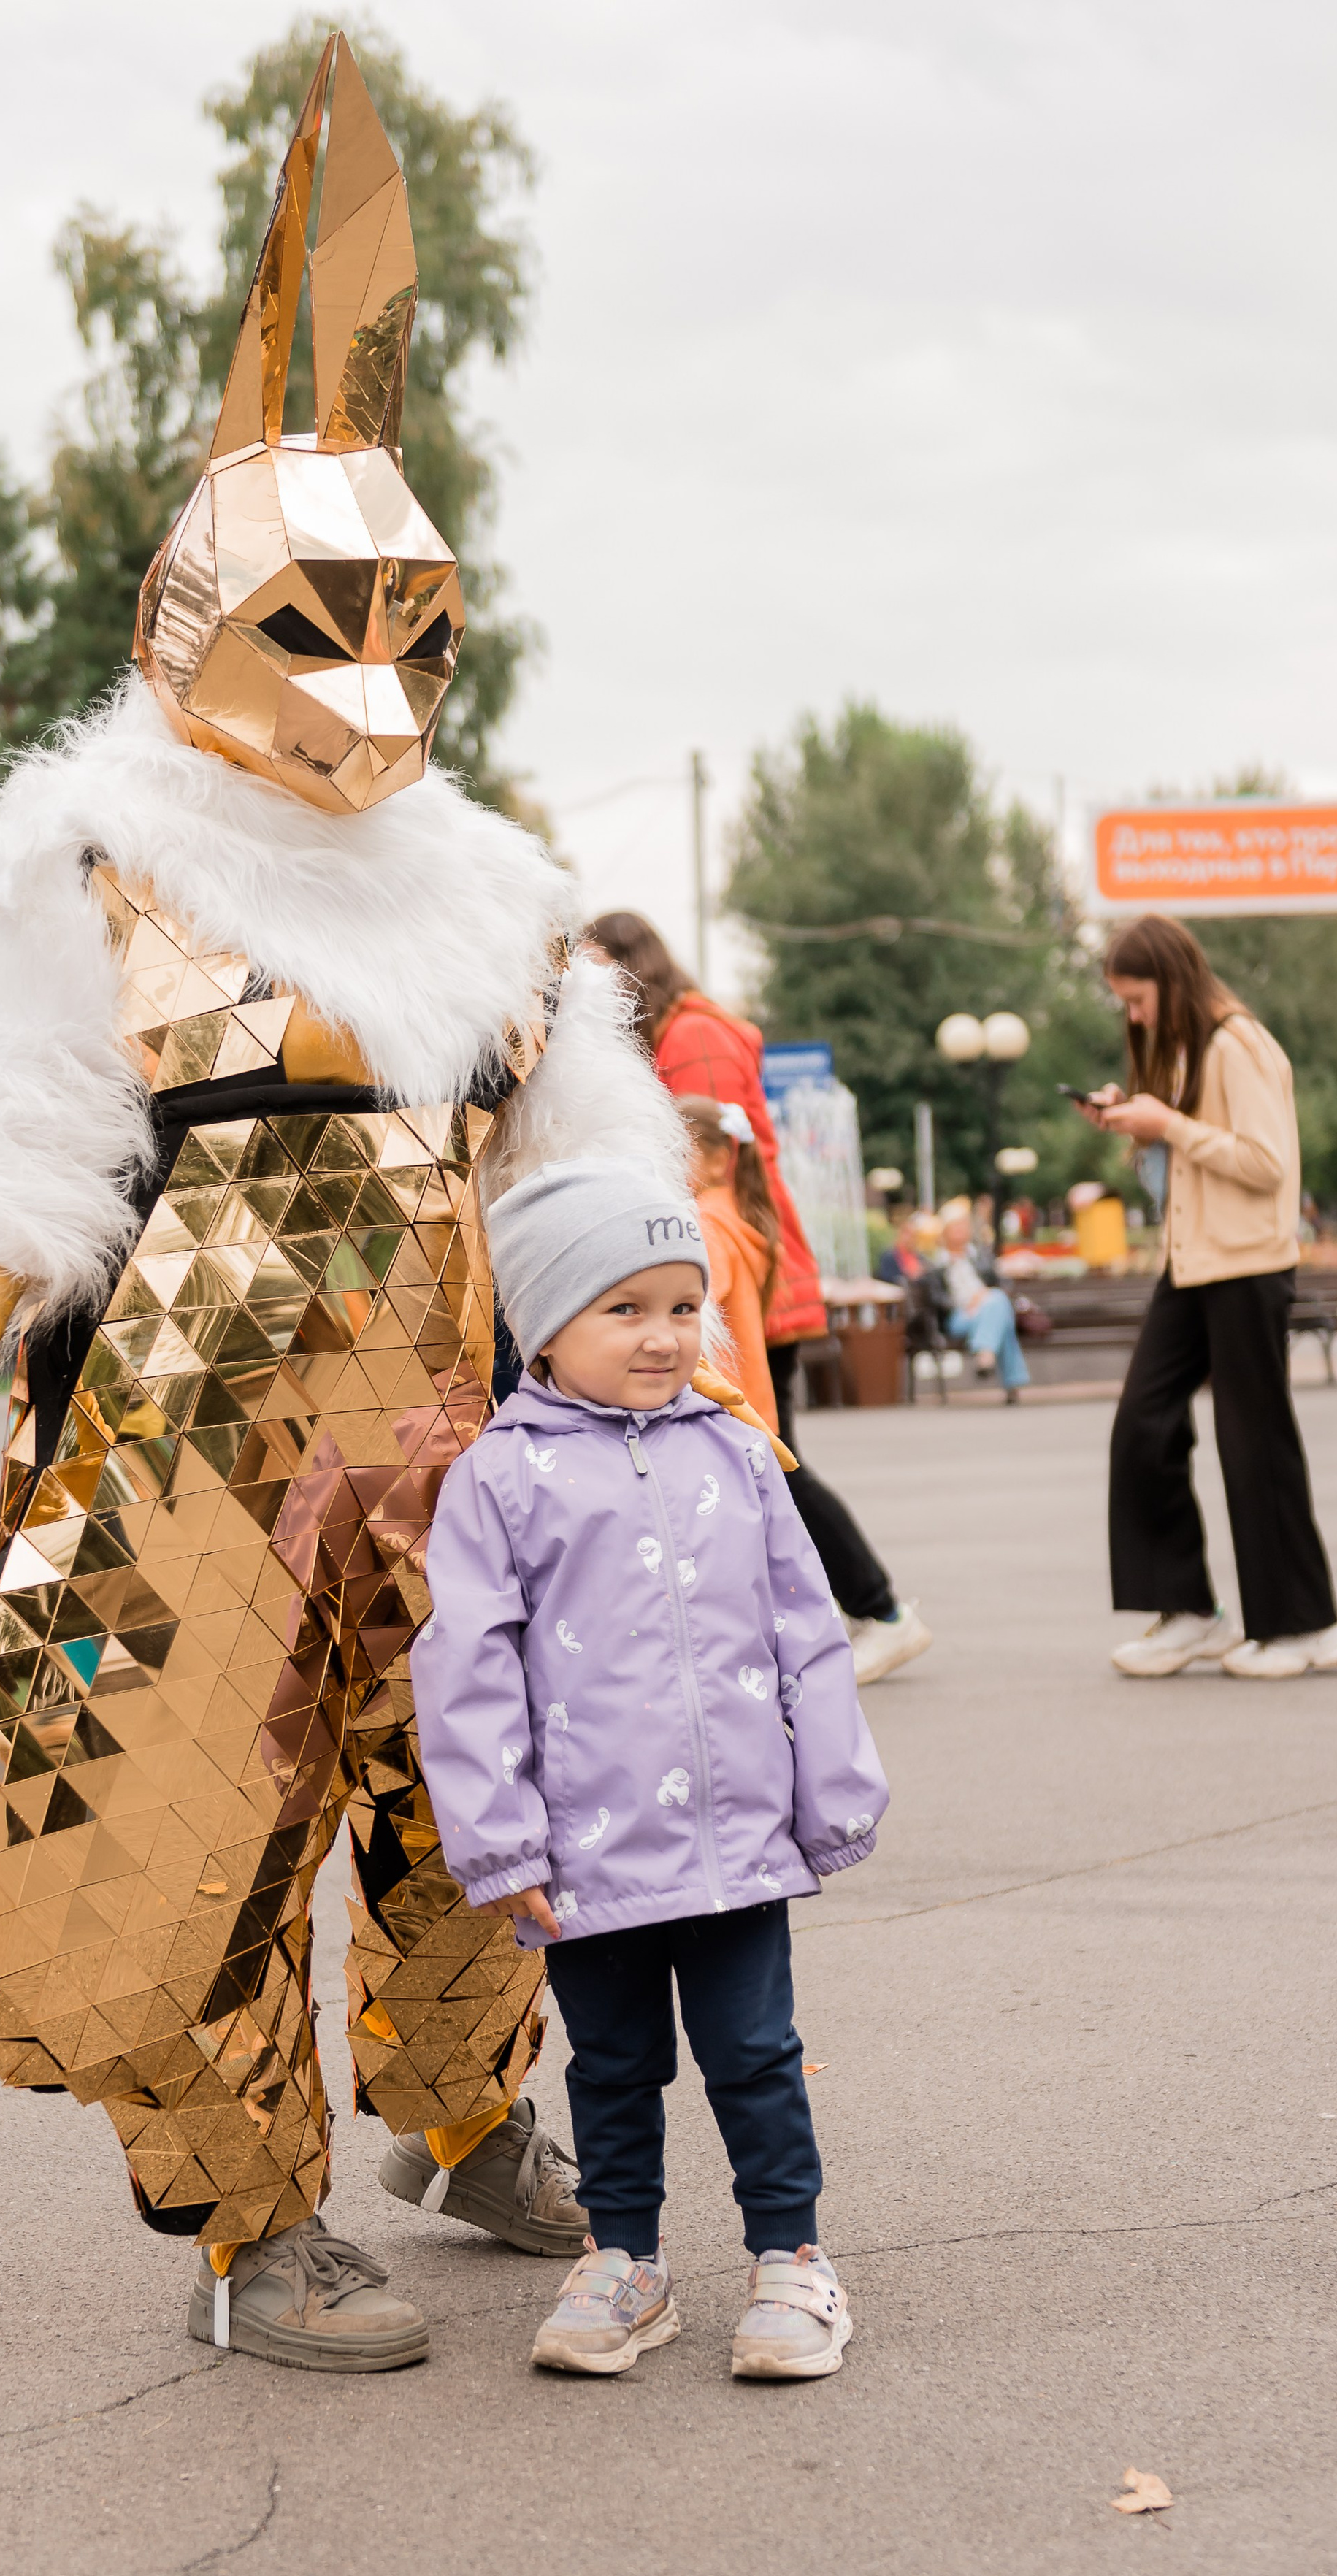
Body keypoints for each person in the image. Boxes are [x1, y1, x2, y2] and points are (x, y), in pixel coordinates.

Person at [0, 34, 721, 2374]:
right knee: (172, 1838)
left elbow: (582, 1149)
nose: (368, 680)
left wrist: (688, 1352)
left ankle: (468, 2117)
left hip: (474, 1438)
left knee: (506, 1790)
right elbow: (21, 1128)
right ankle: (252, 2223)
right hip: (185, 1443)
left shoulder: (490, 890)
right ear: (195, 620)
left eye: (412, 628)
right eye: (312, 620)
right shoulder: (95, 857)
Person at [411, 1155, 889, 2380]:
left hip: (737, 1844)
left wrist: (832, 1789)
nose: (664, 1336)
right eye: (624, 1309)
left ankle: (792, 2260)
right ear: (545, 1323)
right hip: (583, 1852)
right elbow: (466, 1668)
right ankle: (624, 2259)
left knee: (754, 2054)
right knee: (613, 2064)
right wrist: (501, 1841)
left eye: (684, 1306)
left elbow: (806, 1629)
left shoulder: (735, 1456)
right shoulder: (500, 1481)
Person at [584, 911, 930, 1681]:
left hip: (734, 1284)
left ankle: (878, 1607)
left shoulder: (694, 1039)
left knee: (772, 1461)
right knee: (768, 1462)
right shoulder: (685, 1031)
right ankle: (853, 1612)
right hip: (743, 1280)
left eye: (599, 971)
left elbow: (706, 1159)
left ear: (629, 968)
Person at [1090, 913, 1337, 1681]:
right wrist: (1140, 1118)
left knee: (1254, 1441)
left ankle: (1307, 1626)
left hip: (1245, 1265)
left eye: (1136, 999)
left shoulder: (1237, 1043)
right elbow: (1198, 1146)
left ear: (1170, 981)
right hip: (1194, 1263)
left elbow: (1266, 1163)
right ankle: (1189, 1612)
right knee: (1142, 1423)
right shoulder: (1188, 1051)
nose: (1133, 1015)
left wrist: (1167, 1124)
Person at [676, 1093, 779, 1430]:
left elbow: (697, 1312)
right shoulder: (733, 1217)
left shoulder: (705, 1224)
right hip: (746, 1405)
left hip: (722, 1408)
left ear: (719, 1161)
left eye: (678, 1152)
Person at [934, 1197, 1030, 1403]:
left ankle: (985, 1354)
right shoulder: (937, 1263)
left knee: (997, 1305)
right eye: (956, 1227)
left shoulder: (979, 1256)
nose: (961, 1231)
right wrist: (968, 1304)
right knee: (999, 1309)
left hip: (987, 1309)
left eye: (963, 1226)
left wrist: (984, 1296)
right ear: (945, 1231)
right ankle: (1012, 1381)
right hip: (960, 1315)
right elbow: (936, 1298)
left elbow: (1002, 1283)